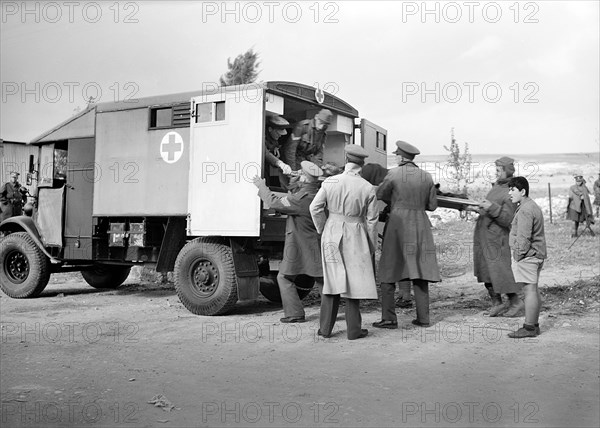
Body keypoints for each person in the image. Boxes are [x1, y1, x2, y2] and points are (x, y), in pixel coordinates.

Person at [309, 145, 378, 340]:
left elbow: (315, 208)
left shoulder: (331, 181)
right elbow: (372, 221)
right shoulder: (367, 187)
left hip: (332, 230)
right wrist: (371, 246)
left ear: (346, 159)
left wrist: (323, 229)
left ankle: (325, 330)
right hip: (356, 233)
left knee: (332, 280)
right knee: (354, 282)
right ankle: (354, 331)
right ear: (362, 164)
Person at [373, 141, 440, 329]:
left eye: (396, 154)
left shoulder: (393, 173)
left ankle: (389, 318)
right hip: (420, 225)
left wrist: (395, 200)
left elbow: (379, 193)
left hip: (397, 224)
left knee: (388, 269)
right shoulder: (426, 176)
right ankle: (424, 318)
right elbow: (433, 206)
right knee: (419, 271)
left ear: (401, 157)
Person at [252, 161, 324, 323]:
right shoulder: (317, 194)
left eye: (301, 173)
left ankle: (294, 313)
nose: (297, 173)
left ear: (305, 179)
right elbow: (290, 193)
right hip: (315, 246)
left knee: (284, 278)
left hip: (299, 247)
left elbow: (275, 202)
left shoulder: (300, 199)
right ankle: (330, 313)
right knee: (322, 281)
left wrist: (261, 186)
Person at [467, 157, 522, 317]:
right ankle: (497, 303)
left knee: (500, 271)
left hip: (497, 238)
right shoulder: (497, 186)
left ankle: (516, 302)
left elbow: (507, 219)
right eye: (496, 170)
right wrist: (478, 209)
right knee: (485, 270)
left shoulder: (512, 191)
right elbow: (489, 208)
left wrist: (491, 207)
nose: (496, 173)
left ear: (507, 171)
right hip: (484, 235)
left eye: (498, 170)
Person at [507, 176, 547, 338]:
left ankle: (529, 328)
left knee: (529, 291)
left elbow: (523, 238)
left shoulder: (525, 209)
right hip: (536, 255)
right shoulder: (530, 205)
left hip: (528, 256)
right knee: (533, 290)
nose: (509, 193)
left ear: (522, 191)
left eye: (512, 190)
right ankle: (534, 325)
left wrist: (518, 255)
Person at [264, 115, 293, 187]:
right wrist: (280, 164)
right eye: (278, 133)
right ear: (270, 129)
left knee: (275, 185)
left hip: (273, 168)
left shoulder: (274, 140)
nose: (280, 136)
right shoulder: (262, 138)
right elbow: (265, 153)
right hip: (263, 168)